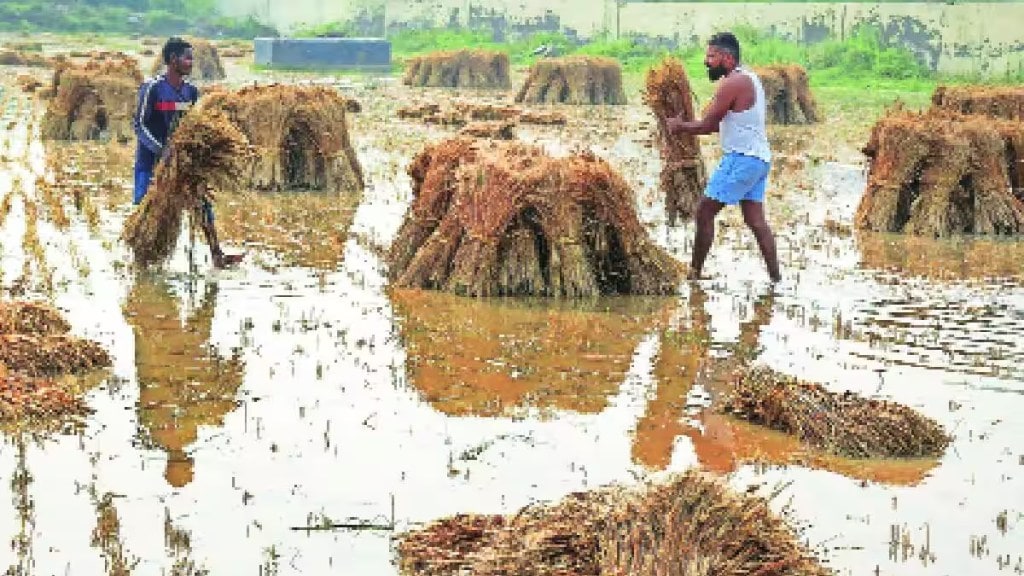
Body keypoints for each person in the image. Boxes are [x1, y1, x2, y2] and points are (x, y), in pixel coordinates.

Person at [667, 32, 781, 282]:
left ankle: (694, 274)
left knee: (704, 212)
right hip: (759, 160)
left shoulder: (733, 83)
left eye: (712, 56)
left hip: (741, 159)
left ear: (727, 58)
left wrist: (679, 126)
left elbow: (708, 125)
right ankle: (776, 280)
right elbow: (724, 122)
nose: (706, 61)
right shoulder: (748, 77)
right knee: (755, 221)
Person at [133, 36, 242, 269]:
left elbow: (189, 124)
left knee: (202, 202)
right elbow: (140, 125)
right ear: (173, 60)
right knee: (144, 205)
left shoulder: (191, 92)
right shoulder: (152, 88)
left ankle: (217, 254)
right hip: (151, 160)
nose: (191, 62)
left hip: (180, 160)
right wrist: (163, 150)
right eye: (187, 57)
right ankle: (140, 259)